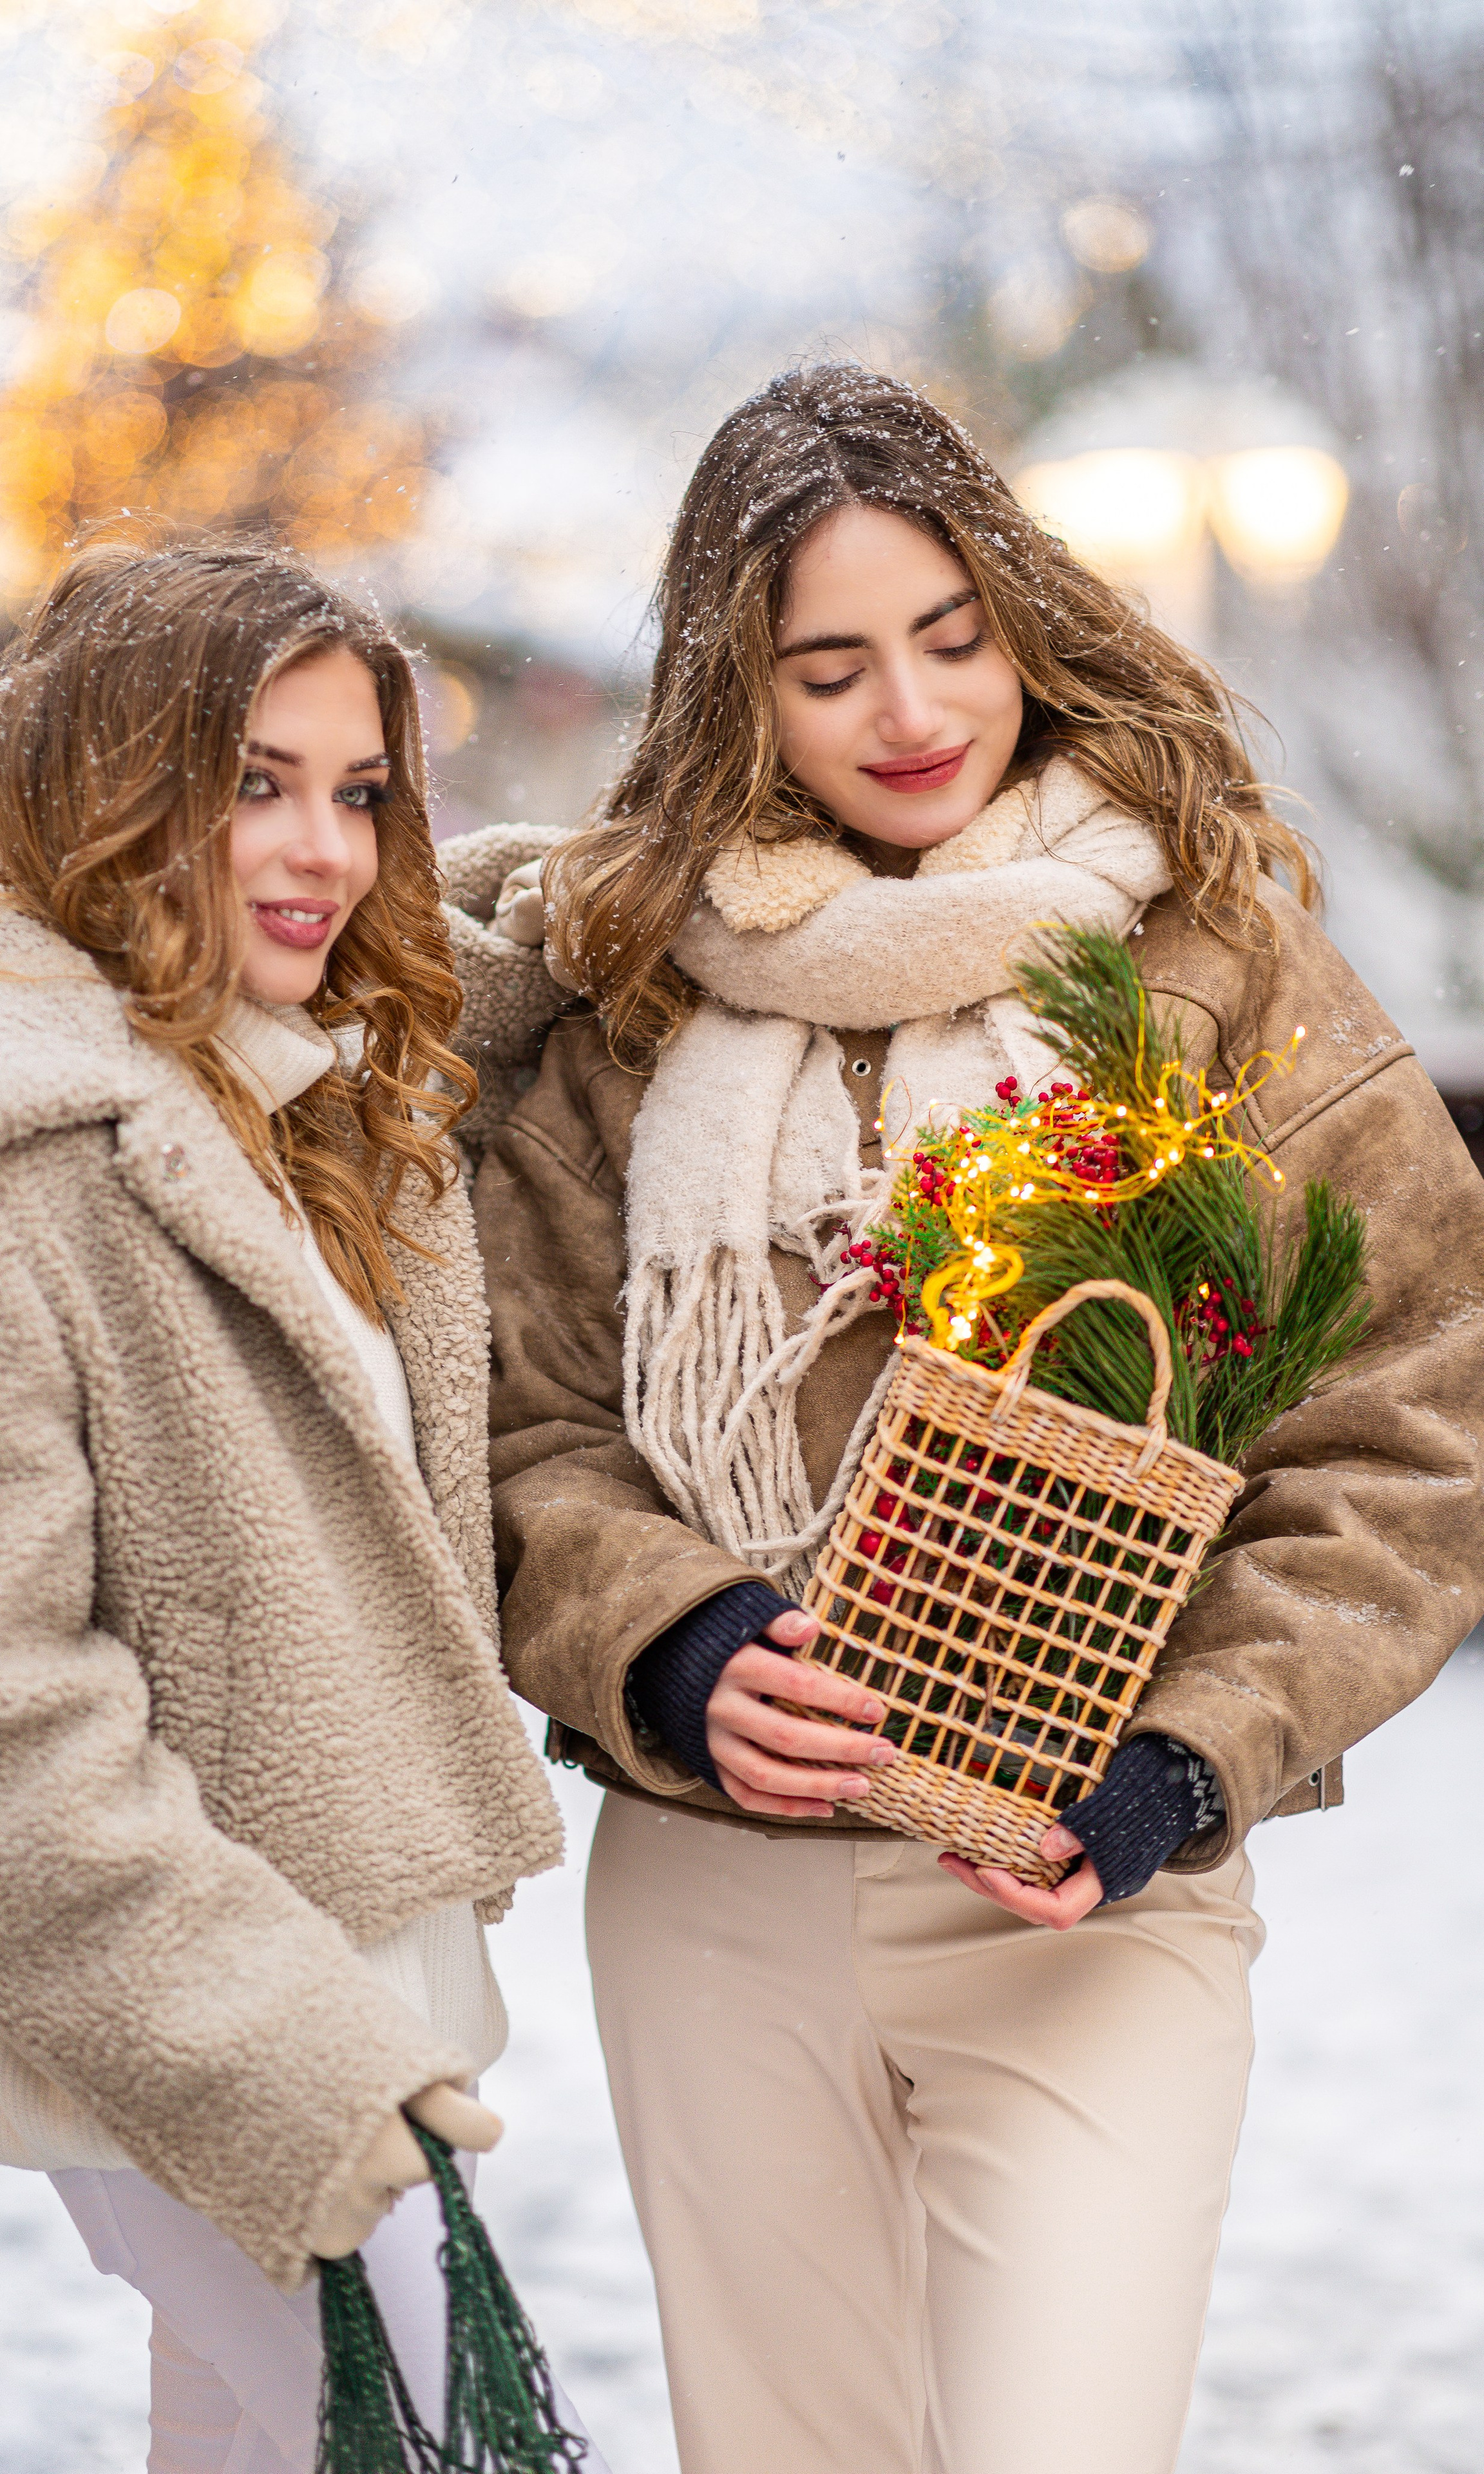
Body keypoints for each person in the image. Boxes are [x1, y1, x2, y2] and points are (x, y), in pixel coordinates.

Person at [473, 365, 1484, 2474]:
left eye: (952, 636)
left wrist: (1190, 1758)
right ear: (738, 696)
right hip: (715, 1880)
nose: (915, 712)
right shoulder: (635, 999)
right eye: (828, 668)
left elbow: (1416, 1422)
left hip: (1090, 1891)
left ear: (1027, 615)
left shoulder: (1215, 968)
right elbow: (518, 1423)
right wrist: (669, 1638)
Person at [0, 537, 600, 2474]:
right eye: (251, 783)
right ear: (106, 790)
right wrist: (281, 2062)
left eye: (361, 794)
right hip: (179, 2015)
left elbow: (502, 1000)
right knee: (474, 2452)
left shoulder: (321, 1107)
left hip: (355, 1965)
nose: (323, 851)